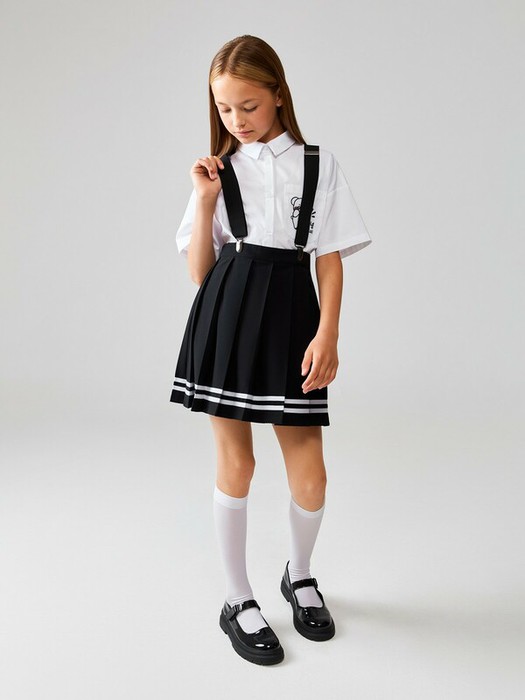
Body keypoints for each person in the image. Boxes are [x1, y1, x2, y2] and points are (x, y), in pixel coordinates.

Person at [170, 35, 372, 665]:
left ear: (279, 95)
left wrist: (328, 332)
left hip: (294, 321)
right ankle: (237, 598)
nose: (237, 120)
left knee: (311, 475)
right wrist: (206, 200)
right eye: (224, 109)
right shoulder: (219, 172)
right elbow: (200, 273)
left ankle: (299, 575)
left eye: (249, 106)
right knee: (238, 466)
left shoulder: (319, 164)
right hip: (226, 318)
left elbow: (329, 259)